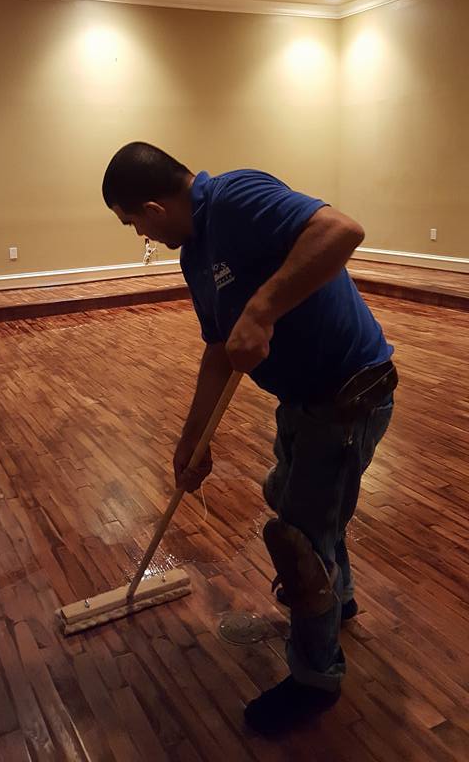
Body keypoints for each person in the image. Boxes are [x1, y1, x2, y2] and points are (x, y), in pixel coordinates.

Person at [102, 141, 397, 737]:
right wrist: (193, 442)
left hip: (348, 392)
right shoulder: (195, 256)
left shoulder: (238, 196)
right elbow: (219, 349)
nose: (140, 235)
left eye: (133, 223)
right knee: (290, 496)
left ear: (154, 208)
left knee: (298, 539)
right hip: (302, 397)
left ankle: (316, 680)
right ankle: (338, 601)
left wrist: (262, 308)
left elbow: (342, 231)